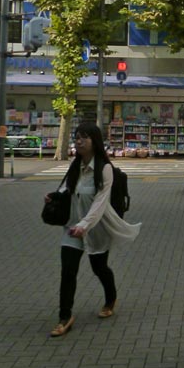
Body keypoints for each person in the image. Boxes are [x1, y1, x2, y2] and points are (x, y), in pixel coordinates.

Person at [46, 122, 140, 337]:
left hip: (96, 228)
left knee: (99, 267)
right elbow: (67, 189)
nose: (79, 141)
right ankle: (65, 316)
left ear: (94, 141)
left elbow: (100, 202)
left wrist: (85, 225)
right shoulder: (75, 166)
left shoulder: (104, 169)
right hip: (72, 227)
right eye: (77, 137)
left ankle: (110, 297)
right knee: (68, 271)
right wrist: (54, 196)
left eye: (84, 137)